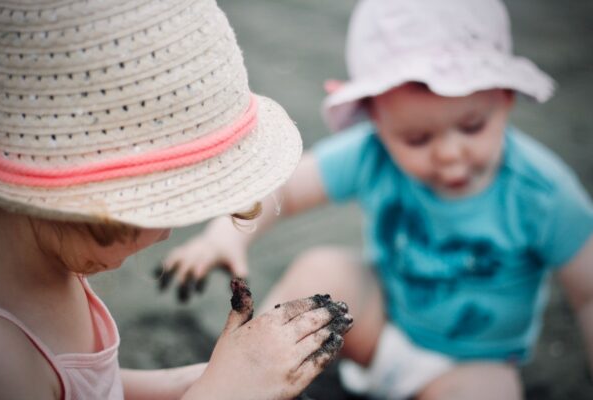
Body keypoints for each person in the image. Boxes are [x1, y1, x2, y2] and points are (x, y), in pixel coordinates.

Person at [160, 0, 593, 399]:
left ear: (504, 99)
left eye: (472, 126)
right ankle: (265, 367)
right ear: (376, 120)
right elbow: (286, 188)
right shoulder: (373, 153)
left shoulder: (541, 192)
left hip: (472, 363)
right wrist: (225, 236)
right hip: (377, 325)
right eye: (417, 138)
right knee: (323, 269)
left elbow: (588, 291)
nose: (449, 153)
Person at [0, 0, 354, 399]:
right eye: (163, 207)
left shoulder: (44, 262)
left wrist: (193, 382)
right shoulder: (3, 361)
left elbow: (93, 389)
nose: (167, 233)